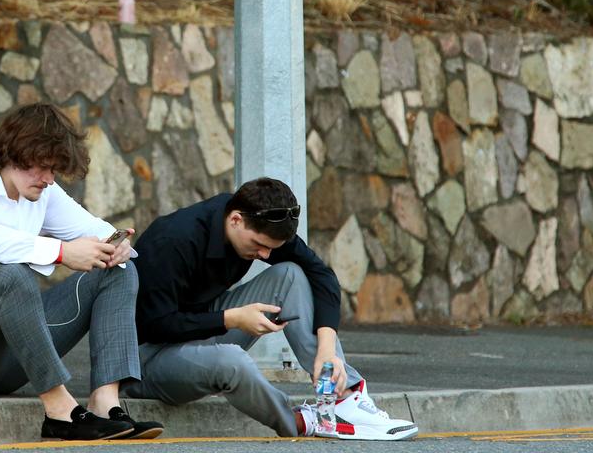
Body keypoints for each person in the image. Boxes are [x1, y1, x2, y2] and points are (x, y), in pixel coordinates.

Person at [0, 103, 163, 441]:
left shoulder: (43, 194)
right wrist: (61, 252)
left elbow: (96, 229)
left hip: (11, 362)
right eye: (43, 167)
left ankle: (105, 403)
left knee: (119, 271)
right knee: (12, 275)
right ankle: (60, 412)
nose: (50, 179)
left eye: (55, 170)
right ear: (14, 151)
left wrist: (116, 245)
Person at [124, 177, 418, 441]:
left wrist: (326, 349)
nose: (265, 255)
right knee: (232, 361)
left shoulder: (261, 223)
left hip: (195, 333)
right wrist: (232, 319)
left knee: (290, 274)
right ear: (236, 220)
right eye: (259, 246)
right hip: (146, 360)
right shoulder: (174, 240)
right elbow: (156, 324)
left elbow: (321, 275)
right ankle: (302, 422)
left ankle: (343, 398)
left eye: (270, 248)